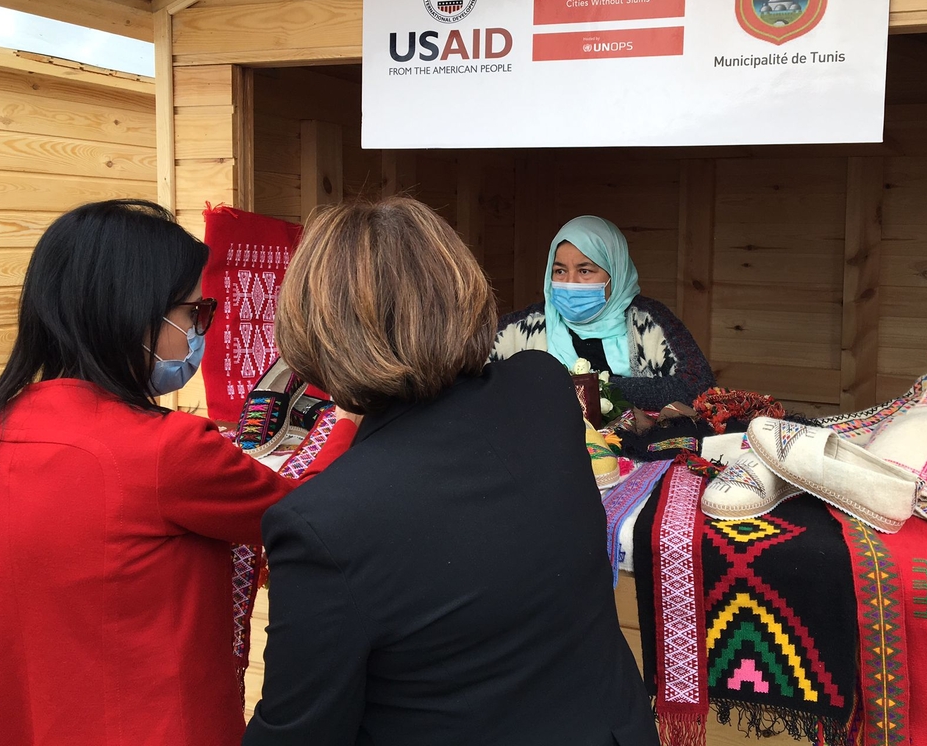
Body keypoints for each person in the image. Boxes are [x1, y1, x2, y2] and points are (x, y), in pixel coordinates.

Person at [244, 197, 657, 746]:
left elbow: (296, 733)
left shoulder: (321, 525)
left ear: (314, 332)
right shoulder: (543, 388)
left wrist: (348, 399)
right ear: (464, 291)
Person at [0, 200, 354, 746]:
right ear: (132, 315)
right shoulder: (169, 452)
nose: (200, 329)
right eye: (195, 313)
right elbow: (310, 518)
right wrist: (347, 420)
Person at [491, 215, 716, 410]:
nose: (570, 282)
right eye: (560, 271)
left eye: (585, 270)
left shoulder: (648, 321)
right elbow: (466, 375)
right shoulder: (522, 328)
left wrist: (599, 389)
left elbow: (698, 386)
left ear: (615, 274)